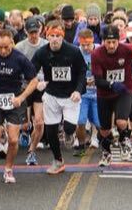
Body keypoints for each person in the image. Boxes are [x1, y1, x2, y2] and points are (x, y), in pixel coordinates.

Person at [0, 29, 39, 184]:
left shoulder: (20, 59)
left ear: (12, 43)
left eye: (6, 47)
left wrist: (22, 97)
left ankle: (8, 169)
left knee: (13, 140)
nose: (3, 51)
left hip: (14, 99)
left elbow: (34, 81)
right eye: (0, 47)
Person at [31, 20, 86, 174]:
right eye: (51, 36)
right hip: (51, 94)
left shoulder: (73, 51)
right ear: (47, 36)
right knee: (50, 129)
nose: (54, 39)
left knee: (68, 128)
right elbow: (31, 70)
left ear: (62, 37)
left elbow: (82, 71)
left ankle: (70, 133)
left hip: (70, 95)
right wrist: (38, 83)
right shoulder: (42, 52)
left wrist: (78, 90)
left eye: (58, 36)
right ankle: (58, 160)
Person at [91, 25, 132, 166]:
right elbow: (97, 80)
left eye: (114, 42)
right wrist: (111, 84)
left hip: (124, 90)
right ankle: (106, 152)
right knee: (104, 130)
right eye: (108, 42)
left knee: (121, 122)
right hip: (104, 93)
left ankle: (124, 140)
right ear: (103, 41)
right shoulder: (96, 54)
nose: (111, 45)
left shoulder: (128, 50)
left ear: (119, 40)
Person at [15, 18, 48, 165]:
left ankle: (31, 151)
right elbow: (14, 69)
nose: (34, 35)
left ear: (40, 30)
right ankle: (23, 131)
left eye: (36, 32)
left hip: (40, 87)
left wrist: (44, 81)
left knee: (40, 123)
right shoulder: (20, 47)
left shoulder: (46, 45)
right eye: (31, 33)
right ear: (26, 32)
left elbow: (51, 68)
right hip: (24, 87)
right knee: (24, 125)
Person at [73, 29, 100, 156]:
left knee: (100, 123)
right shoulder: (76, 52)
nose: (85, 48)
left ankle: (106, 143)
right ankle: (81, 144)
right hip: (83, 94)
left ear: (93, 41)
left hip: (98, 94)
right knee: (81, 121)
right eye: (82, 45)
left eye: (88, 45)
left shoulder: (100, 50)